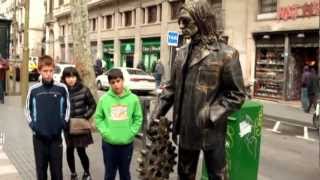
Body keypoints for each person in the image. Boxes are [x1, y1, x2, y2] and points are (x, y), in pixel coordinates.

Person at [151, 1, 245, 180]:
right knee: (185, 174)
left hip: (212, 129)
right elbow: (171, 89)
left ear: (201, 20)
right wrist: (156, 113)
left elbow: (237, 94)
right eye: (179, 22)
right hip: (186, 128)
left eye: (186, 21)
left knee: (217, 175)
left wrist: (211, 113)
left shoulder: (226, 54)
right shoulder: (181, 53)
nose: (181, 27)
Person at [25, 55, 70, 180]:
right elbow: (27, 110)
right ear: (39, 71)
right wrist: (34, 126)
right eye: (45, 71)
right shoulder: (34, 90)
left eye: (51, 71)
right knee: (41, 171)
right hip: (39, 139)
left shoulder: (61, 88)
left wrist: (62, 124)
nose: (48, 74)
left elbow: (68, 108)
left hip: (56, 138)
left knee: (57, 172)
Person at [95, 68, 143, 180]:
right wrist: (105, 132)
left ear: (123, 80)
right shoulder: (104, 99)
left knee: (125, 174)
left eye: (118, 81)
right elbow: (98, 118)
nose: (116, 85)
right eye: (113, 82)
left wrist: (131, 133)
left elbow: (138, 118)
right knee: (109, 174)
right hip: (109, 144)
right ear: (110, 84)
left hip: (126, 144)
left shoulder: (133, 99)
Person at [61, 67, 96, 180]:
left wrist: (86, 116)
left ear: (76, 77)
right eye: (68, 77)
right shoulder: (62, 91)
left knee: (81, 151)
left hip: (80, 125)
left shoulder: (84, 89)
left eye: (73, 76)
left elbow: (93, 105)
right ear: (64, 78)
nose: (71, 79)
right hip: (68, 127)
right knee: (69, 151)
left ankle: (87, 173)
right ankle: (73, 173)